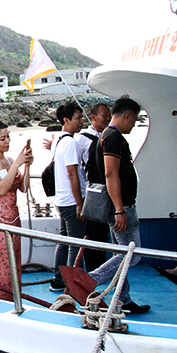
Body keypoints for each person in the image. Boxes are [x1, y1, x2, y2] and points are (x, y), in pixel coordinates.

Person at [89, 97, 150, 314]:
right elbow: (110, 173)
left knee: (120, 251)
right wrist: (120, 209)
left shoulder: (104, 136)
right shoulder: (113, 137)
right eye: (134, 120)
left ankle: (123, 299)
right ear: (128, 115)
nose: (133, 125)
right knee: (130, 254)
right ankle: (89, 280)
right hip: (122, 207)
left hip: (118, 206)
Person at [0, 120, 33, 300]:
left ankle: (14, 297)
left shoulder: (9, 160)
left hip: (13, 219)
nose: (8, 141)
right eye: (3, 138)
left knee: (14, 263)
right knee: (0, 265)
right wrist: (16, 165)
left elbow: (23, 188)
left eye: (8, 136)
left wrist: (26, 165)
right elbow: (0, 188)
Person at [48, 101, 87, 292]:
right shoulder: (70, 143)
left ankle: (58, 278)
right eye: (78, 118)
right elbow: (72, 174)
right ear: (66, 120)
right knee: (76, 244)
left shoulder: (59, 140)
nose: (81, 122)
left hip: (61, 200)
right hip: (71, 201)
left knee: (64, 241)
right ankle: (72, 284)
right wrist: (80, 204)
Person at [77, 103, 112, 271]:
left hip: (107, 190)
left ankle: (103, 267)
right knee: (93, 232)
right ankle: (92, 269)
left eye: (109, 115)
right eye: (104, 115)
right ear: (93, 117)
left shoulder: (108, 136)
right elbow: (77, 170)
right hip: (92, 192)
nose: (107, 119)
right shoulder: (83, 139)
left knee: (103, 232)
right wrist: (82, 198)